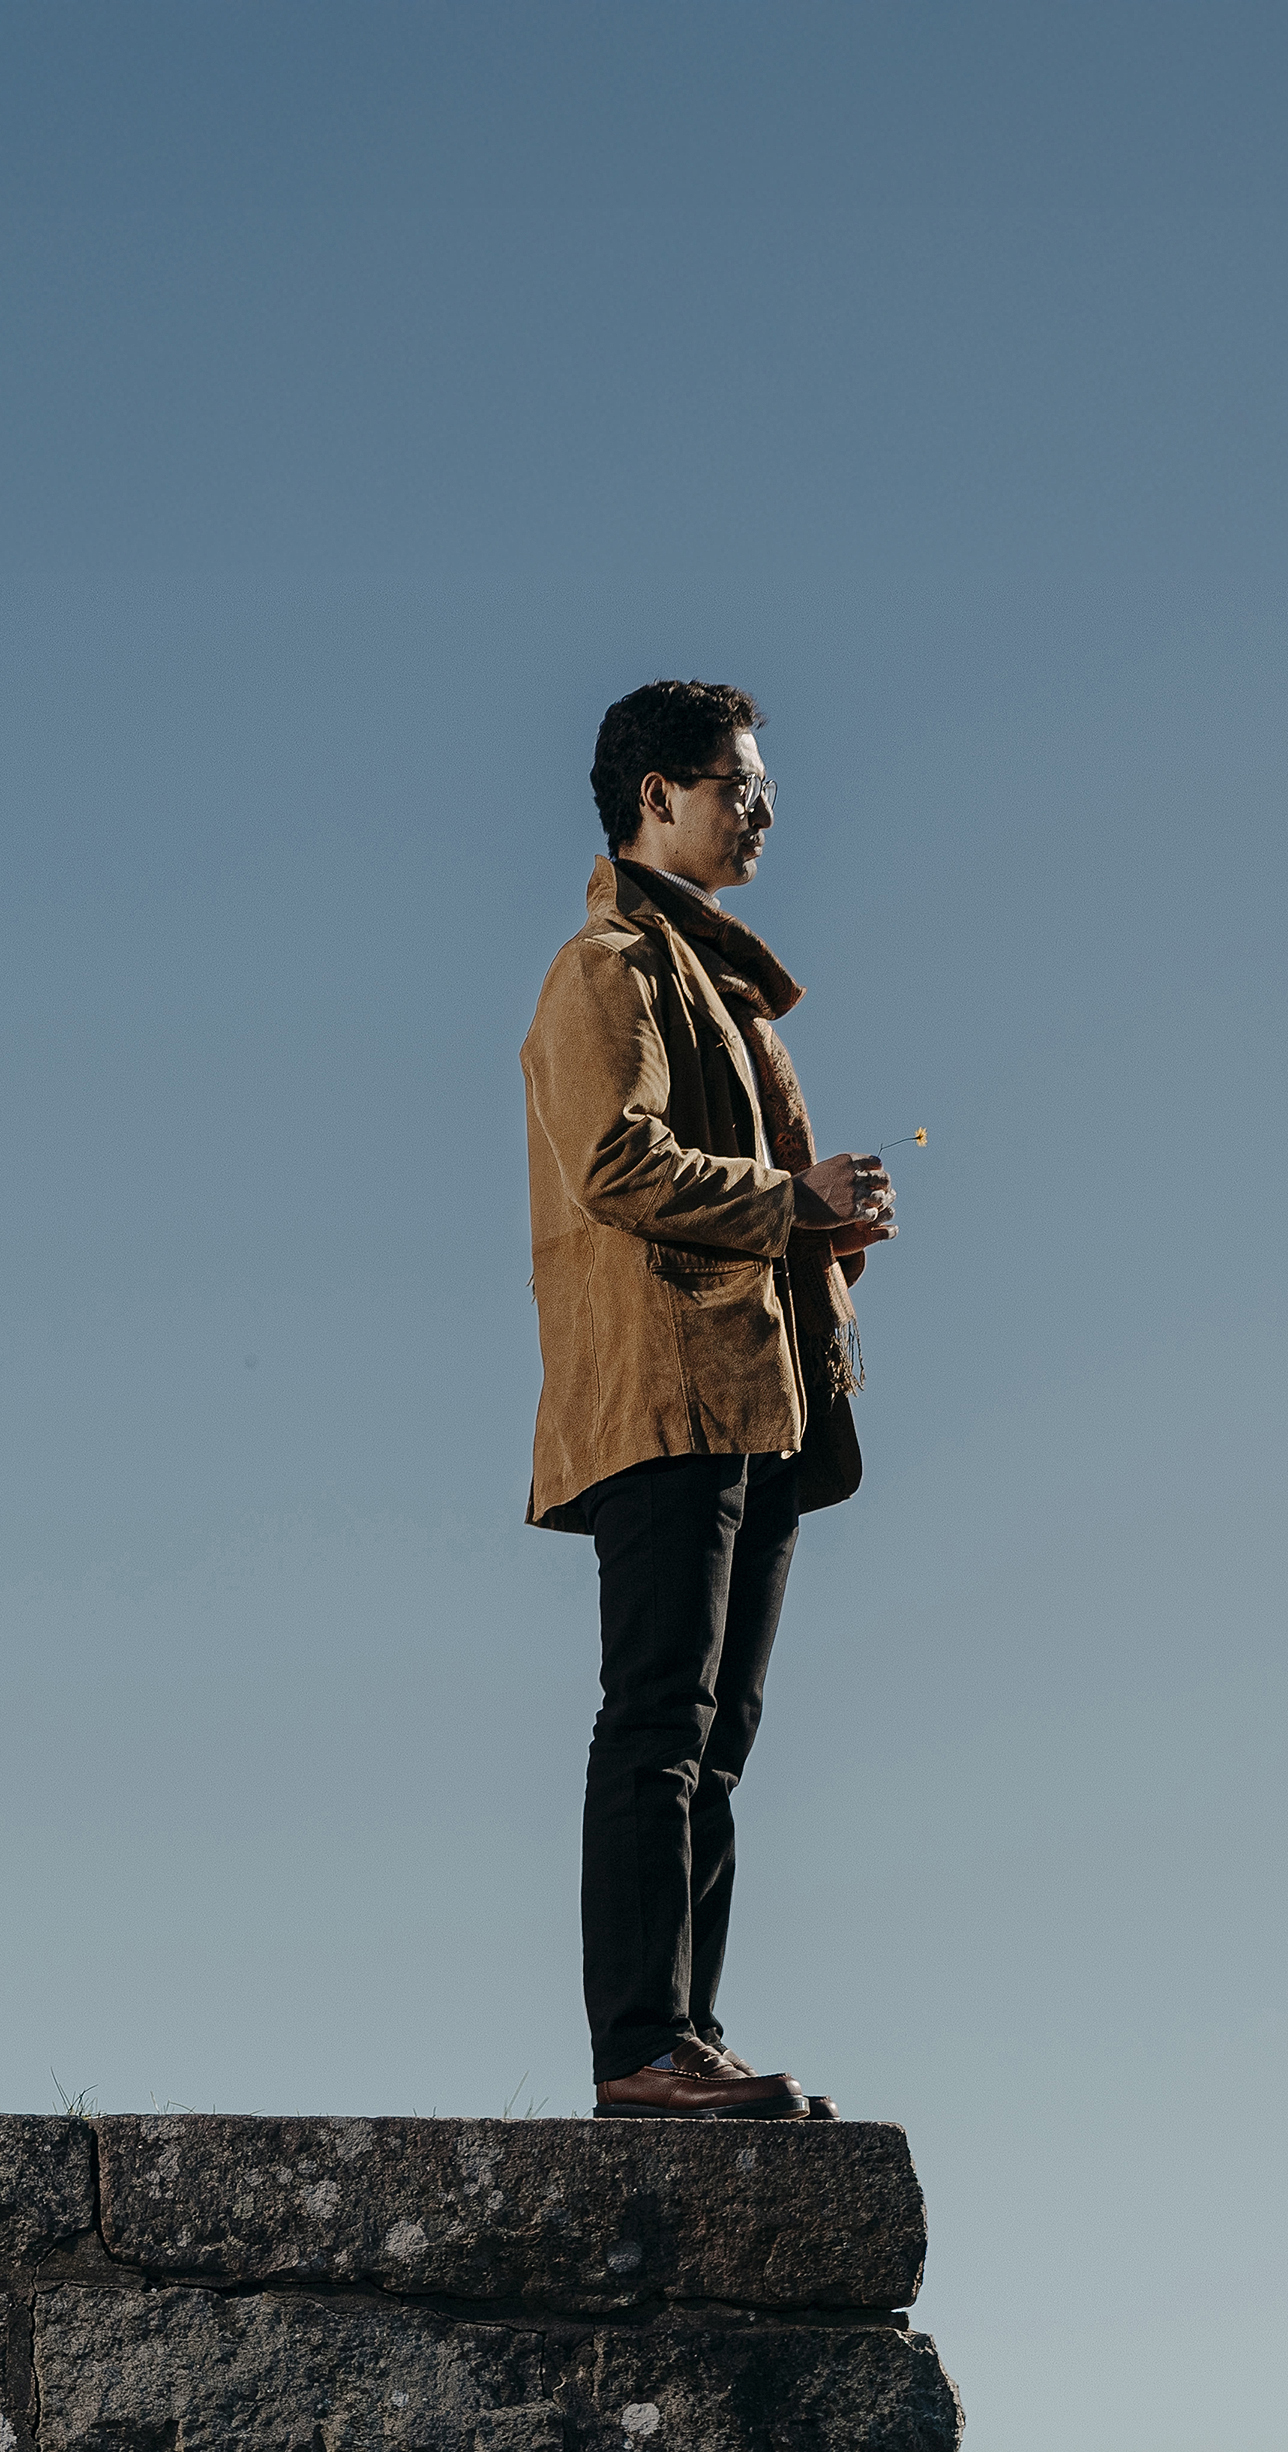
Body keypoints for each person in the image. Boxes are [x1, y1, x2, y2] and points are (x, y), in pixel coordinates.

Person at [520, 681, 893, 2122]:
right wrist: (788, 1197)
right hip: (666, 1396)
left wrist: (817, 1228)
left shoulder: (707, 978)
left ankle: (689, 2037)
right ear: (655, 795)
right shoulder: (604, 967)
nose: (764, 805)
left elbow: (709, 1185)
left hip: (756, 1402)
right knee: (658, 1724)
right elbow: (613, 1163)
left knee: (716, 1739)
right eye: (738, 782)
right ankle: (641, 2051)